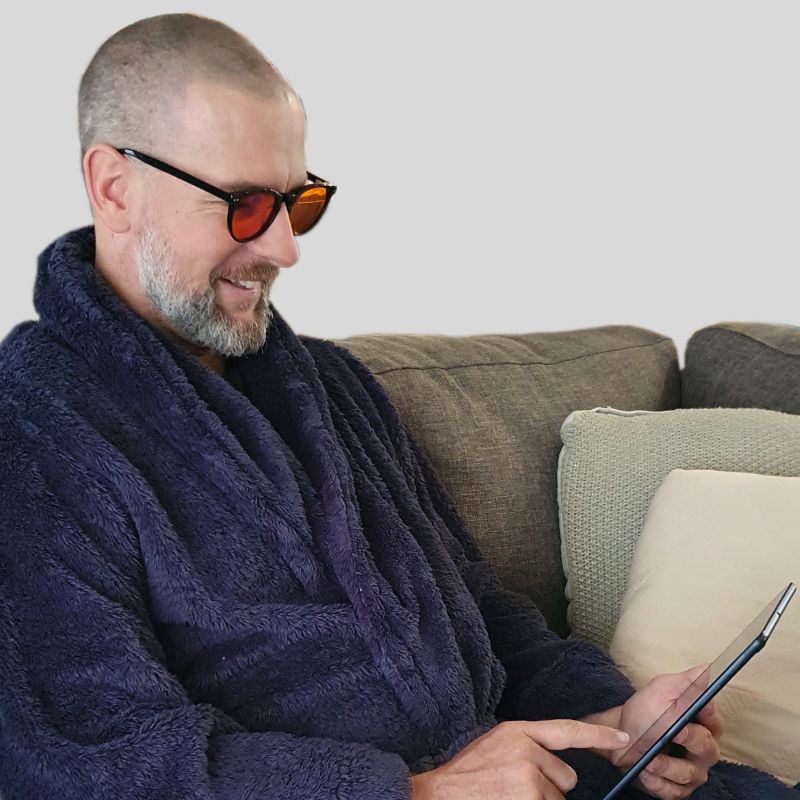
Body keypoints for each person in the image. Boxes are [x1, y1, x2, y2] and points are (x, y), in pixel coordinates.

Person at [0, 13, 795, 800]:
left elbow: (480, 609)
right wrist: (424, 792)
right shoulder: (36, 432)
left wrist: (617, 723)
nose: (284, 249)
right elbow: (93, 761)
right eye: (243, 205)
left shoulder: (329, 389)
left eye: (298, 202)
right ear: (115, 188)